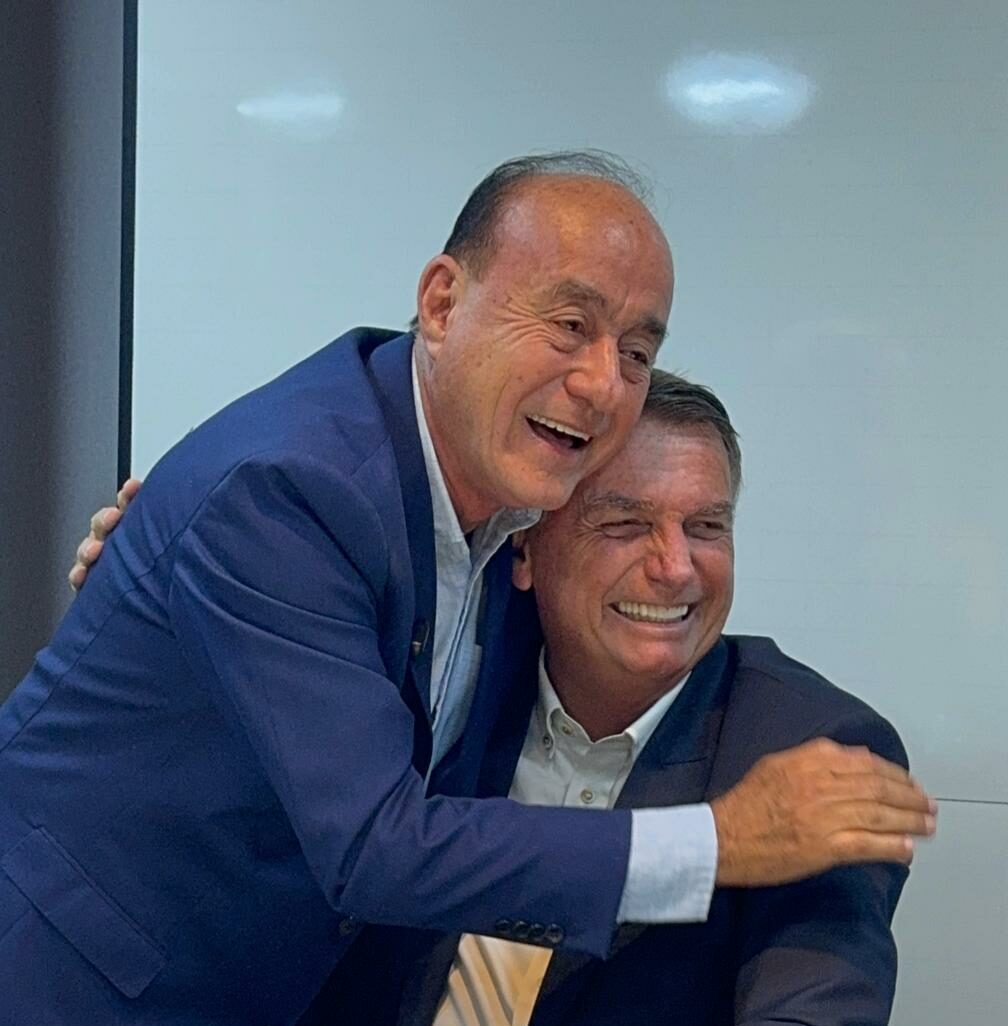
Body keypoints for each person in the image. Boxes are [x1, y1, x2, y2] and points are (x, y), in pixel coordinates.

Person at [9, 152, 932, 1026]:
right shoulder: (289, 493)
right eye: (570, 326)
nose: (602, 383)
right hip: (79, 975)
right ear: (443, 302)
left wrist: (164, 562)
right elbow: (378, 845)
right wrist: (718, 843)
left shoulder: (510, 548)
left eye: (636, 351)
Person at [387, 371, 914, 1025]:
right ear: (523, 544)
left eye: (706, 526)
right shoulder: (448, 690)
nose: (675, 566)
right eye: (624, 524)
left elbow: (815, 1011)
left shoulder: (812, 750)